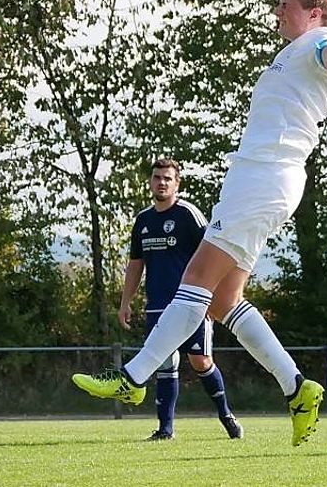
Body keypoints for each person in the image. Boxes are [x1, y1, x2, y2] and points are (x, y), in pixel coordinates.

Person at [72, 0, 327, 447]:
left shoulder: (321, 39)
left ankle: (133, 376)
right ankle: (297, 387)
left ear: (313, 13)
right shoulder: (294, 50)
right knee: (223, 300)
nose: (277, 11)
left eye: (285, 4)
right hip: (261, 180)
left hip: (264, 178)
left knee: (196, 279)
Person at [121, 158, 243, 441]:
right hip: (157, 306)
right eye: (157, 177)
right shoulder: (143, 220)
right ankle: (165, 430)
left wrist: (213, 297)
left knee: (200, 360)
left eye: (167, 178)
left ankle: (226, 414)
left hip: (191, 302)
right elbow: (136, 264)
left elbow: (214, 255)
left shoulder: (188, 214)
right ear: (150, 182)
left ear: (177, 184)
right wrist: (125, 302)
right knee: (163, 364)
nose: (161, 183)